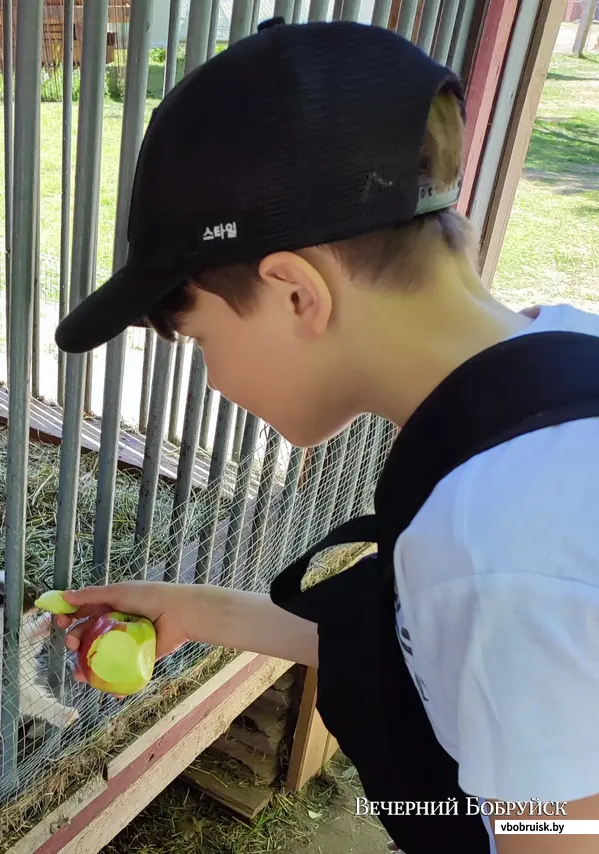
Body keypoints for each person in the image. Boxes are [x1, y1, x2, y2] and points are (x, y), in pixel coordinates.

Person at [52, 17, 599, 854]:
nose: (216, 383)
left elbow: (557, 831)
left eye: (201, 343)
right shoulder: (556, 371)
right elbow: (438, 658)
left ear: (297, 294)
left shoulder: (492, 548)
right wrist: (195, 609)